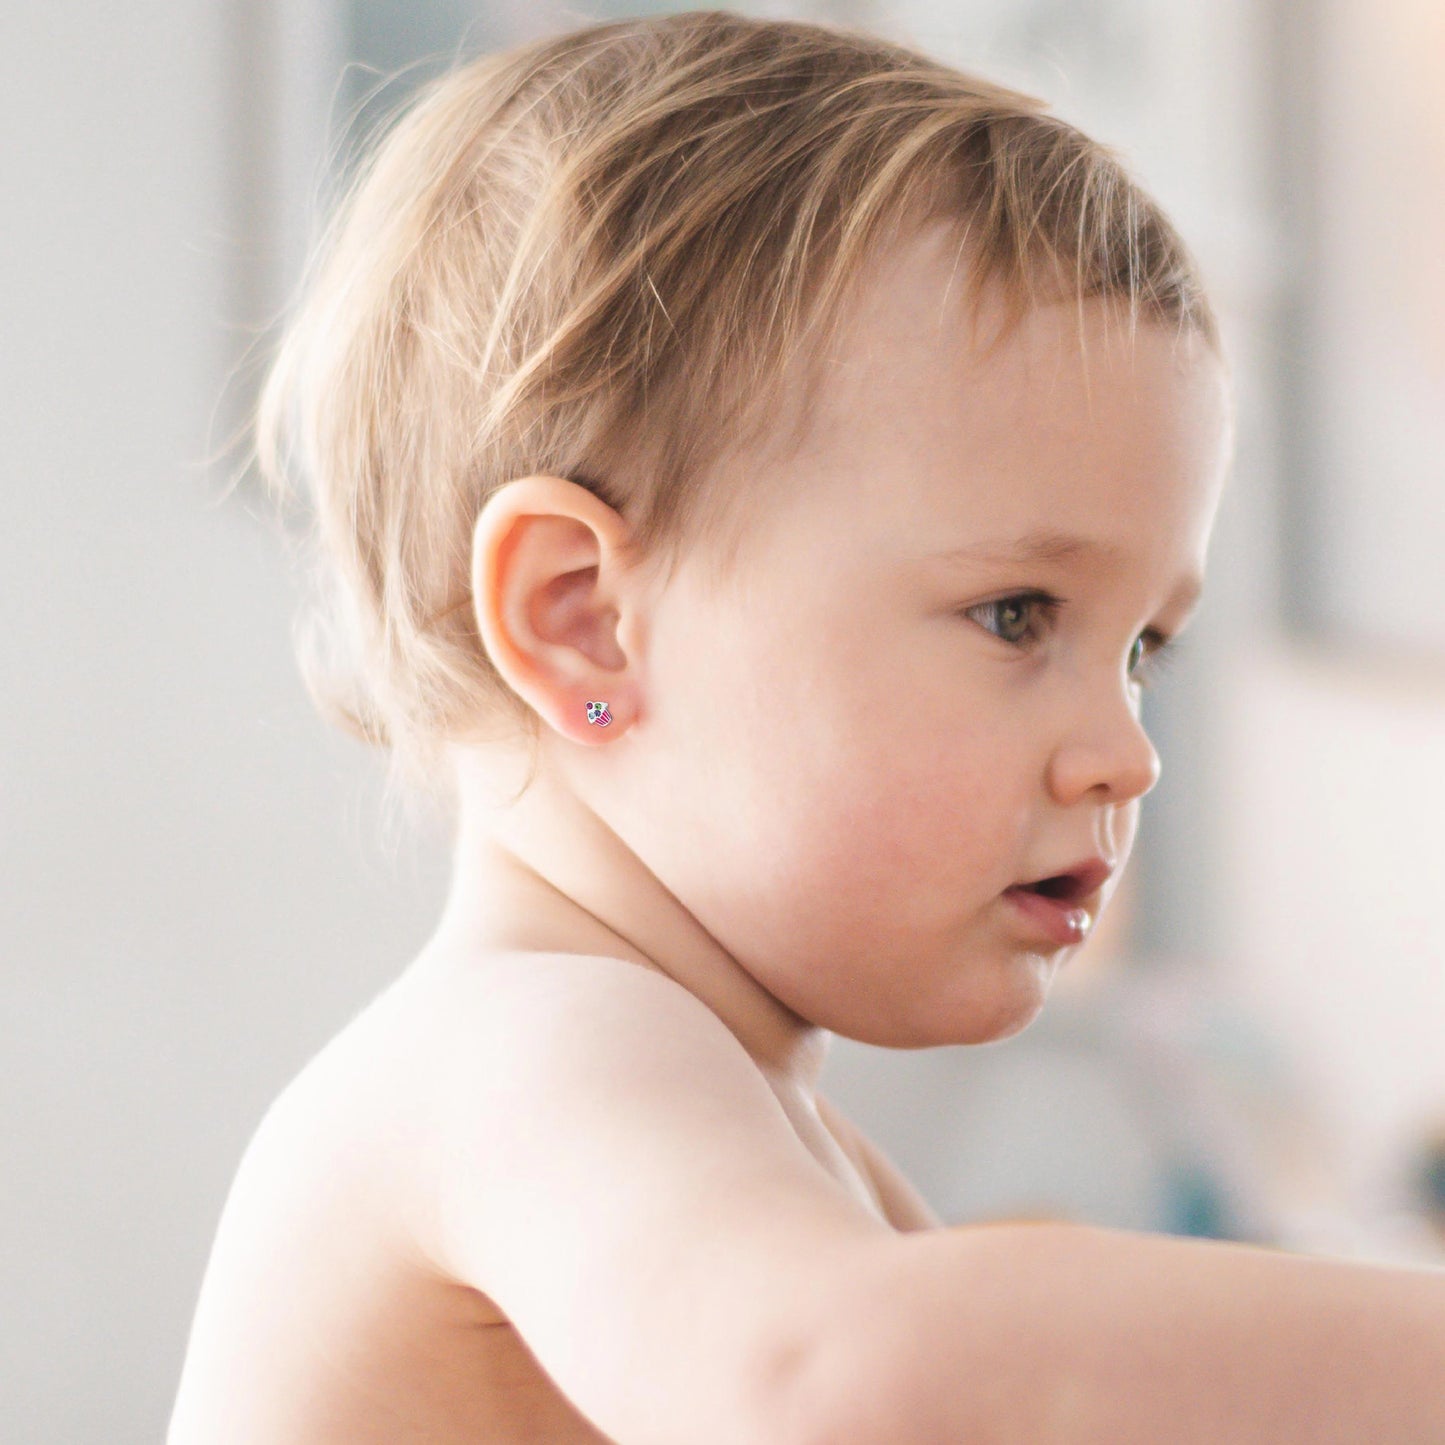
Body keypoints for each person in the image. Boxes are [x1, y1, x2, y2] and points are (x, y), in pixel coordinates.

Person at [168, 11, 1445, 1443]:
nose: (1126, 752)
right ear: (582, 618)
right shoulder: (515, 1050)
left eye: (1143, 647)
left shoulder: (786, 1146)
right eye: (1019, 614)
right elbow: (843, 1378)